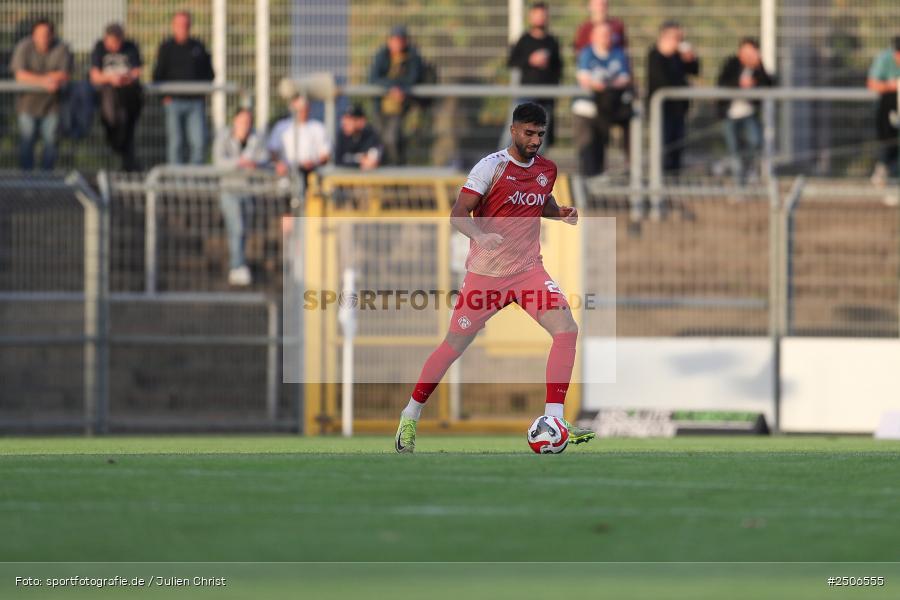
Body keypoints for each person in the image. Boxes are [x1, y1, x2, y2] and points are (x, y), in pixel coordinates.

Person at [394, 102, 595, 453]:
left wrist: (558, 212)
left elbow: (539, 200)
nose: (535, 141)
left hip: (528, 270)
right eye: (529, 133)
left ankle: (555, 419)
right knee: (453, 346)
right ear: (514, 130)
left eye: (541, 135)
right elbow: (458, 214)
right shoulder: (491, 167)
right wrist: (480, 235)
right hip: (486, 275)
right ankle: (410, 415)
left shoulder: (547, 169)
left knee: (566, 329)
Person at [212, 108, 268, 286]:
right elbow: (219, 161)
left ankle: (240, 263)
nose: (245, 125)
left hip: (248, 190)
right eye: (242, 121)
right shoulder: (224, 138)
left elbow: (264, 157)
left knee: (244, 230)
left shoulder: (256, 139)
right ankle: (237, 266)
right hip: (229, 189)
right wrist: (239, 163)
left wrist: (255, 164)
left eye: (248, 122)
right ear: (235, 121)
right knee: (236, 227)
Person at [9, 18, 73, 171]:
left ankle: (46, 180)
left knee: (51, 142)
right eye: (39, 34)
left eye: (46, 34)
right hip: (27, 104)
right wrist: (45, 81)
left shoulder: (61, 48)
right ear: (33, 35)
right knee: (27, 141)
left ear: (52, 35)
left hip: (53, 105)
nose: (43, 38)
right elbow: (20, 75)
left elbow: (65, 74)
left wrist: (39, 78)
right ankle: (26, 180)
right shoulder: (24, 46)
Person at [153, 11, 214, 165]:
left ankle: (195, 181)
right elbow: (158, 75)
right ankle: (176, 183)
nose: (183, 28)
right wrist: (164, 97)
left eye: (186, 25)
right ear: (173, 26)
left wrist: (202, 93)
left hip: (195, 102)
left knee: (199, 142)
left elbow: (209, 73)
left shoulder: (198, 46)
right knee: (176, 144)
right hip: (173, 102)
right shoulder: (166, 47)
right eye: (179, 25)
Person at [574, 22, 632, 177]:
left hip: (609, 108)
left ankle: (628, 171)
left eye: (608, 35)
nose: (605, 39)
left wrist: (606, 86)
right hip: (587, 109)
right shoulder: (587, 54)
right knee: (589, 150)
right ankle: (588, 184)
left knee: (613, 140)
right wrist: (604, 86)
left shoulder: (618, 53)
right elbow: (585, 79)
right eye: (601, 35)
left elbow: (624, 78)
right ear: (593, 37)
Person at [716, 38, 774, 185]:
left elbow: (769, 84)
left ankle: (744, 170)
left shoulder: (757, 67)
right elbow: (722, 83)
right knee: (733, 148)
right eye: (745, 51)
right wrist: (739, 84)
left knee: (755, 142)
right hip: (729, 114)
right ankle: (739, 184)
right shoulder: (732, 64)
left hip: (749, 113)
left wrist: (759, 66)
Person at [647, 21, 700, 175]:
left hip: (679, 109)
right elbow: (660, 80)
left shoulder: (679, 56)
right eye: (676, 37)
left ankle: (675, 180)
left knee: (677, 146)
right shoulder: (655, 55)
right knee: (663, 148)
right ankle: (659, 181)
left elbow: (694, 70)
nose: (679, 41)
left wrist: (691, 59)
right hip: (663, 110)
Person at [507, 2, 562, 147]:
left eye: (543, 15)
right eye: (537, 15)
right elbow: (512, 61)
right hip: (525, 96)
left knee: (539, 141)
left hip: (546, 98)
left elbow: (559, 67)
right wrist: (530, 60)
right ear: (531, 17)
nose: (540, 18)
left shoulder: (552, 41)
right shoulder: (524, 39)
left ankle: (533, 169)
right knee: (513, 137)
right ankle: (502, 167)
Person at [90, 23, 143, 171]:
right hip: (108, 98)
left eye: (117, 42)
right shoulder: (99, 48)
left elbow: (137, 71)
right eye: (111, 42)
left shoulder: (130, 47)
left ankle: (127, 166)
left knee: (127, 133)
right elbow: (94, 76)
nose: (114, 46)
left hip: (128, 99)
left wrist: (124, 79)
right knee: (112, 129)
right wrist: (111, 79)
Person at [368, 25, 423, 166]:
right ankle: (384, 176)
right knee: (379, 141)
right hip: (381, 107)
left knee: (392, 139)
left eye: (400, 40)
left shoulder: (412, 56)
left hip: (401, 108)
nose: (397, 44)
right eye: (394, 40)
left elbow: (413, 78)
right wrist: (392, 87)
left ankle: (396, 171)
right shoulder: (382, 55)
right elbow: (373, 78)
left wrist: (399, 88)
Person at [275, 94, 331, 185]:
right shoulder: (282, 127)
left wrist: (313, 163)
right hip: (287, 176)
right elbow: (273, 150)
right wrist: (279, 163)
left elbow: (325, 154)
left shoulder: (318, 127)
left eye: (304, 109)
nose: (301, 112)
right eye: (298, 110)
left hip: (312, 176)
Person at [867, 36, 900, 187]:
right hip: (888, 107)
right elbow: (872, 84)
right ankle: (884, 171)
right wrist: (893, 86)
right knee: (888, 142)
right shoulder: (884, 59)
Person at [334, 105, 382, 170]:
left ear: (361, 121)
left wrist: (369, 162)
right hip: (346, 176)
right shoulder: (341, 135)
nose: (345, 123)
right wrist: (359, 163)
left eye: (350, 119)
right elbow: (338, 161)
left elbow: (374, 161)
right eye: (344, 119)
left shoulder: (370, 135)